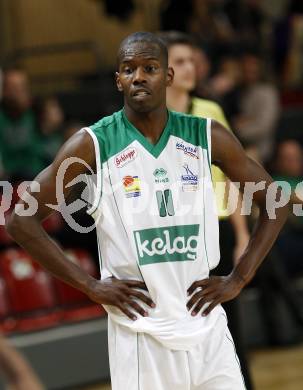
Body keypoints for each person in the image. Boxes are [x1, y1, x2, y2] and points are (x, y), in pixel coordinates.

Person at [7, 32, 288, 390]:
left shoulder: (206, 134)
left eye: (149, 68)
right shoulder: (93, 143)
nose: (138, 76)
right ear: (118, 80)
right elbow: (20, 221)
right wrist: (90, 286)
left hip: (207, 331)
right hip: (141, 334)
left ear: (167, 77)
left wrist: (239, 278)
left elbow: (274, 202)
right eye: (128, 69)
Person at [160, 30, 252, 389]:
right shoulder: (151, 119)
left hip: (219, 225)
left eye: (191, 60)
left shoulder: (210, 112)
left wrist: (242, 234)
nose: (189, 68)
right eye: (179, 61)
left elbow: (232, 177)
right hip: (176, 237)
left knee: (229, 328)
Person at [0, 69, 43, 181]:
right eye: (13, 88)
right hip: (8, 178)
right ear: (4, 91)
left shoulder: (38, 111)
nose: (17, 93)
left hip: (35, 175)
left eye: (21, 88)